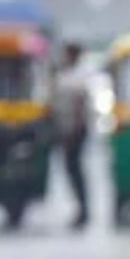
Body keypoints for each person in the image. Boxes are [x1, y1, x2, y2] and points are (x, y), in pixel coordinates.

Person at [55, 42, 91, 230]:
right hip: (64, 129)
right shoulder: (64, 74)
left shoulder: (79, 76)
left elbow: (79, 106)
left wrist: (74, 131)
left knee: (75, 171)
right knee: (70, 171)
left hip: (75, 131)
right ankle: (80, 209)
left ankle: (83, 210)